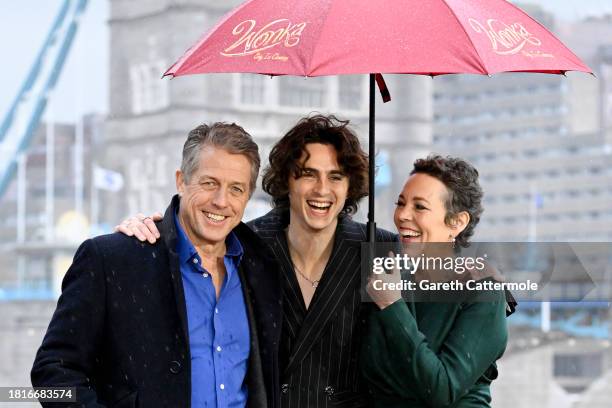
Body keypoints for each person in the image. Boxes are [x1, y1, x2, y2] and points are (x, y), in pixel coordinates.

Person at [117, 114, 397, 407]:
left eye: (336, 176)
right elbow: (188, 233)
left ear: (350, 185)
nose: (322, 189)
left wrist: (447, 227)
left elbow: (444, 280)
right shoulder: (247, 244)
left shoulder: (381, 249)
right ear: (287, 179)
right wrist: (146, 231)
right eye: (308, 174)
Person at [31, 123, 282, 408]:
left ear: (248, 197)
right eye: (209, 183)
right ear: (181, 181)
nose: (221, 201)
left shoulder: (263, 268)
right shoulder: (113, 258)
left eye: (236, 189)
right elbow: (53, 374)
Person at [362, 155, 510, 407]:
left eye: (419, 207)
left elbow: (440, 390)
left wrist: (392, 306)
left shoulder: (482, 292)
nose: (402, 215)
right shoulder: (387, 282)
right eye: (401, 203)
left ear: (457, 222)